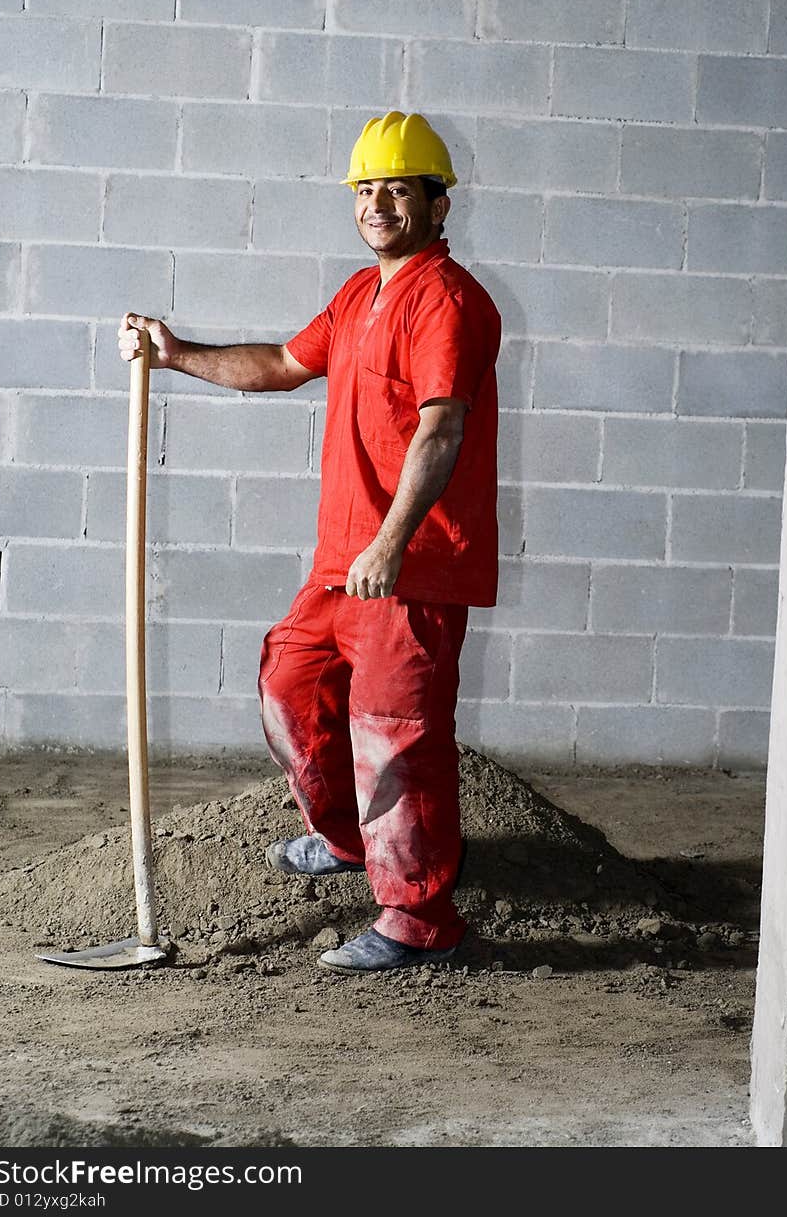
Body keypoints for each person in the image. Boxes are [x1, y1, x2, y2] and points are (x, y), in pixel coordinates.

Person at [118, 111, 502, 974]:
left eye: (397, 187)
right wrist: (177, 356)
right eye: (366, 189)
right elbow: (283, 365)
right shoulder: (361, 297)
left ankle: (421, 921)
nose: (377, 203)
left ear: (439, 204)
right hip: (345, 564)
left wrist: (391, 541)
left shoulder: (446, 300)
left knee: (396, 735)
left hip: (411, 565)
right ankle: (345, 840)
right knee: (290, 685)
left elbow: (440, 432)